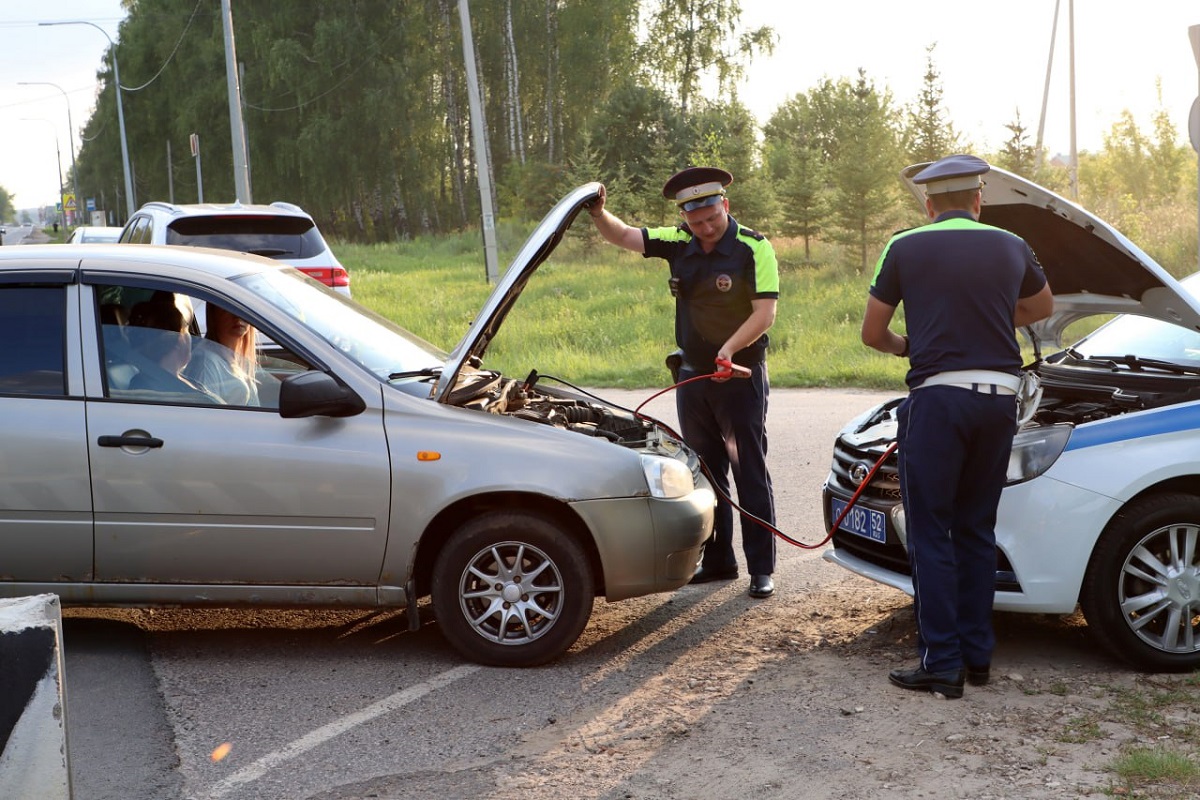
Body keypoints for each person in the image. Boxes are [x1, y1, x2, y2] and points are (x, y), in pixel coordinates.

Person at [860, 154, 1054, 698]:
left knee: (930, 531)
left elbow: (873, 332)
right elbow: (1042, 305)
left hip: (939, 401)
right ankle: (978, 656)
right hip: (998, 402)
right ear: (977, 199)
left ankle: (942, 664)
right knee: (975, 530)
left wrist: (909, 344)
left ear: (929, 204)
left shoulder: (904, 246)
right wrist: (989, 316)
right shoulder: (1011, 244)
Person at [588, 166, 780, 599]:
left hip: (739, 376)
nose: (706, 229)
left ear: (724, 206)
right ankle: (718, 562)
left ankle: (762, 568)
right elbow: (624, 236)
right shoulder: (679, 242)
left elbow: (764, 313)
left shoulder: (754, 247)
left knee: (748, 470)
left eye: (712, 218)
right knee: (707, 473)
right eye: (696, 223)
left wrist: (729, 350)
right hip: (693, 376)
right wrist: (599, 212)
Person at [126, 295, 219, 401]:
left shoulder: (173, 381)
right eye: (187, 328)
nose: (191, 337)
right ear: (180, 338)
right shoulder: (154, 389)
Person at [184, 304, 261, 406]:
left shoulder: (239, 360)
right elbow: (204, 415)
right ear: (213, 314)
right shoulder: (205, 362)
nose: (238, 316)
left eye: (243, 307)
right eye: (228, 308)